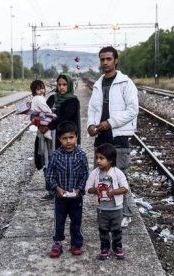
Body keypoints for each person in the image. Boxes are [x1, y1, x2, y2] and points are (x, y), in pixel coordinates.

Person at [87, 46, 139, 227]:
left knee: (120, 176)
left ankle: (125, 213)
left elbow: (133, 110)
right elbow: (93, 109)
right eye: (102, 59)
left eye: (108, 59)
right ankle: (107, 211)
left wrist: (110, 123)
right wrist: (90, 125)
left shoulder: (126, 83)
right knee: (102, 177)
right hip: (101, 138)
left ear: (116, 60)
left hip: (119, 137)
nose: (105, 62)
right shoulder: (97, 84)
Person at [46, 121, 89, 258]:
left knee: (76, 221)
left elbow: (85, 175)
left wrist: (79, 189)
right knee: (59, 220)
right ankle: (57, 243)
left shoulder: (81, 155)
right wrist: (56, 188)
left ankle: (76, 244)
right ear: (59, 139)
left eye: (71, 137)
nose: (68, 141)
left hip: (76, 197)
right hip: (60, 197)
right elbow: (50, 174)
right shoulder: (55, 155)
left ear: (76, 137)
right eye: (64, 138)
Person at [37, 73, 81, 201]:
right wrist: (40, 122)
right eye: (59, 84)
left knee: (65, 163)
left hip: (64, 137)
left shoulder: (72, 100)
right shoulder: (52, 98)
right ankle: (51, 190)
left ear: (69, 85)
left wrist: (49, 124)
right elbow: (43, 112)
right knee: (49, 163)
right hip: (49, 137)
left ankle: (67, 189)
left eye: (64, 84)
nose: (61, 87)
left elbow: (65, 117)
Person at [85, 143, 129, 260]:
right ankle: (104, 248)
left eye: (101, 158)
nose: (98, 161)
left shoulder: (117, 173)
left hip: (116, 208)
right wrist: (96, 189)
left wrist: (113, 191)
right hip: (102, 209)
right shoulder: (95, 173)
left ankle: (117, 247)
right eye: (97, 158)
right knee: (103, 230)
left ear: (110, 160)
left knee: (117, 230)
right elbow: (87, 188)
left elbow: (125, 188)